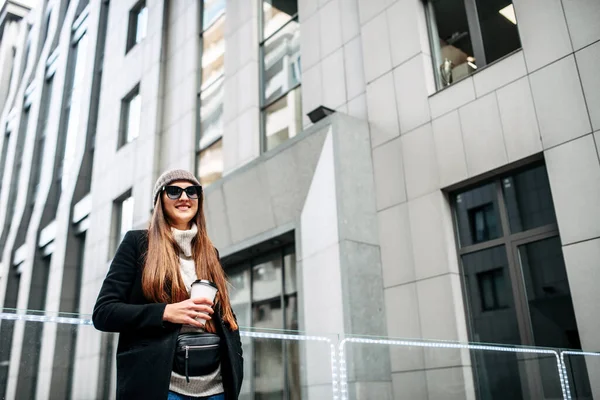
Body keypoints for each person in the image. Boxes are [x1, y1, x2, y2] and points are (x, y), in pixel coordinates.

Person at [93, 169, 243, 400]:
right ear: (159, 200)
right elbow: (104, 313)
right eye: (174, 191)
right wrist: (165, 312)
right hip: (160, 388)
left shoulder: (209, 252)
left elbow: (227, 319)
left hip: (216, 389)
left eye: (192, 191)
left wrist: (236, 368)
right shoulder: (137, 244)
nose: (184, 197)